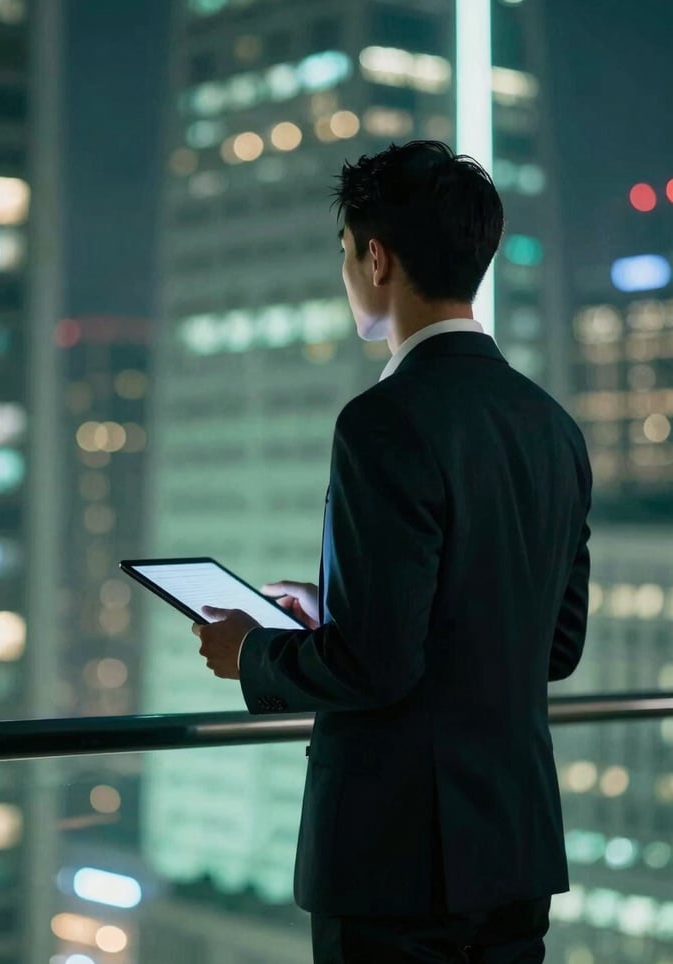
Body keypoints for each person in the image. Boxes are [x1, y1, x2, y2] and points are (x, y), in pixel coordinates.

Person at [192, 140, 592, 963]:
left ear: (376, 258)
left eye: (345, 251)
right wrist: (340, 600)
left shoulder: (381, 422)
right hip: (512, 852)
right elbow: (556, 644)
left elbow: (376, 666)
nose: (346, 272)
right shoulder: (552, 426)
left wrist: (254, 652)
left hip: (394, 867)